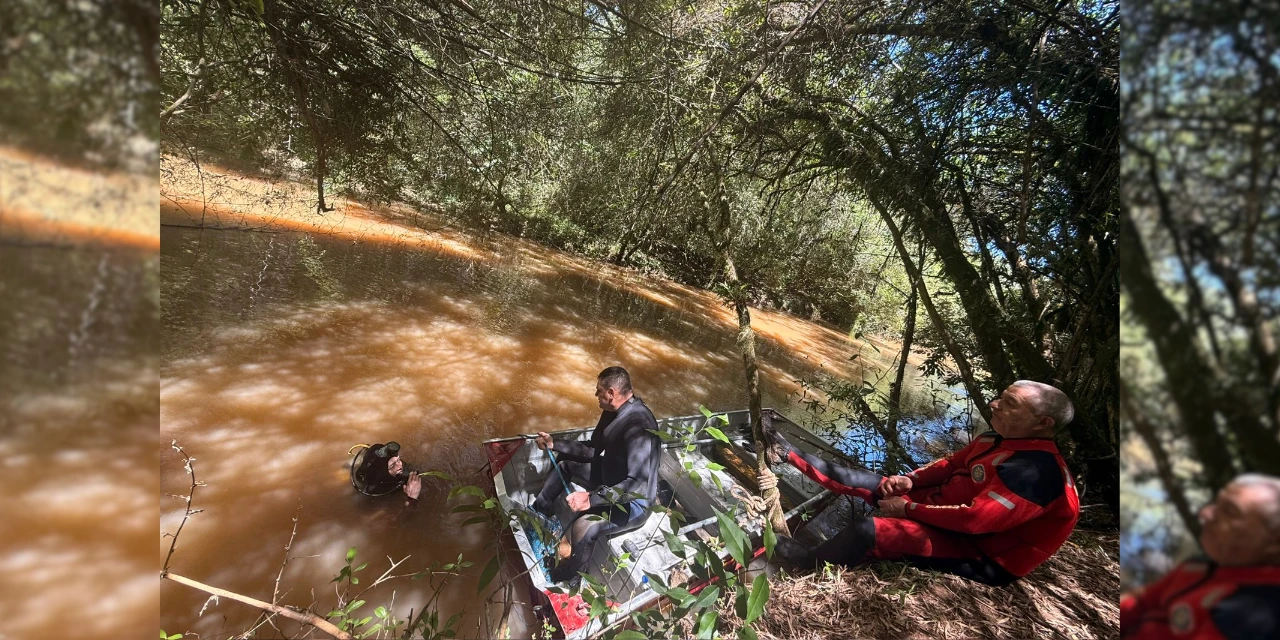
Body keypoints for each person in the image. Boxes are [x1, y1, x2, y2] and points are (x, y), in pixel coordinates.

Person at [771, 380, 1080, 586]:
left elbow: (975, 521)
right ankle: (786, 453)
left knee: (868, 531)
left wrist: (908, 510)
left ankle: (802, 564)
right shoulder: (998, 439)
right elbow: (951, 465)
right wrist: (908, 480)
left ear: (1043, 423)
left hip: (983, 554)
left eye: (1009, 403)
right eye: (1001, 396)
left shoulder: (1038, 474)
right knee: (872, 482)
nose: (995, 403)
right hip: (946, 509)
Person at [531, 366, 662, 583]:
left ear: (611, 393)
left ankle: (568, 577)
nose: (595, 396)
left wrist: (591, 498)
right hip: (610, 475)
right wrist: (556, 444)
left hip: (634, 502)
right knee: (566, 466)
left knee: (584, 526)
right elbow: (592, 449)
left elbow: (636, 483)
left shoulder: (640, 426)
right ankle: (538, 511)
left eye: (598, 391)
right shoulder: (611, 412)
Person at [1120, 474, 1280, 639]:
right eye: (1217, 503)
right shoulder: (1200, 565)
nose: (1205, 513)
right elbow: (1141, 601)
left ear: (1276, 543)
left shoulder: (1257, 613)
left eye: (1230, 511)